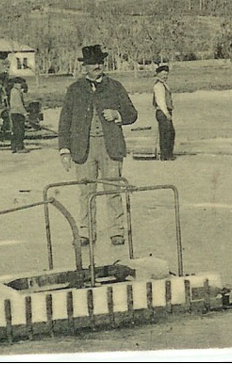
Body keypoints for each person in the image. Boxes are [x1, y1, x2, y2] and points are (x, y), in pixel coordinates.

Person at [58, 45, 138, 246]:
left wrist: (117, 115)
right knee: (86, 192)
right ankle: (86, 231)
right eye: (92, 63)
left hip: (110, 146)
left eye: (100, 62)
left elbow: (132, 114)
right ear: (84, 66)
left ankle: (117, 231)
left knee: (112, 190)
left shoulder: (115, 86)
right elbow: (65, 121)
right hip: (83, 148)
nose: (97, 66)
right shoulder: (75, 89)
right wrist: (64, 149)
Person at [153, 64, 176, 161]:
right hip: (162, 111)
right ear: (158, 74)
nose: (165, 76)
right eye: (162, 74)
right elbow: (160, 101)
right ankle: (165, 155)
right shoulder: (159, 86)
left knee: (170, 132)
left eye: (166, 74)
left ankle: (167, 154)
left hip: (165, 111)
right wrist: (166, 113)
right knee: (166, 133)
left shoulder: (164, 84)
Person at [8, 78, 29, 154]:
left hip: (14, 113)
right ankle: (19, 147)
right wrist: (25, 113)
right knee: (20, 131)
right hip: (17, 113)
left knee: (15, 130)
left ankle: (14, 147)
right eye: (21, 83)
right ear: (17, 83)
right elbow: (19, 104)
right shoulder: (15, 92)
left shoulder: (14, 91)